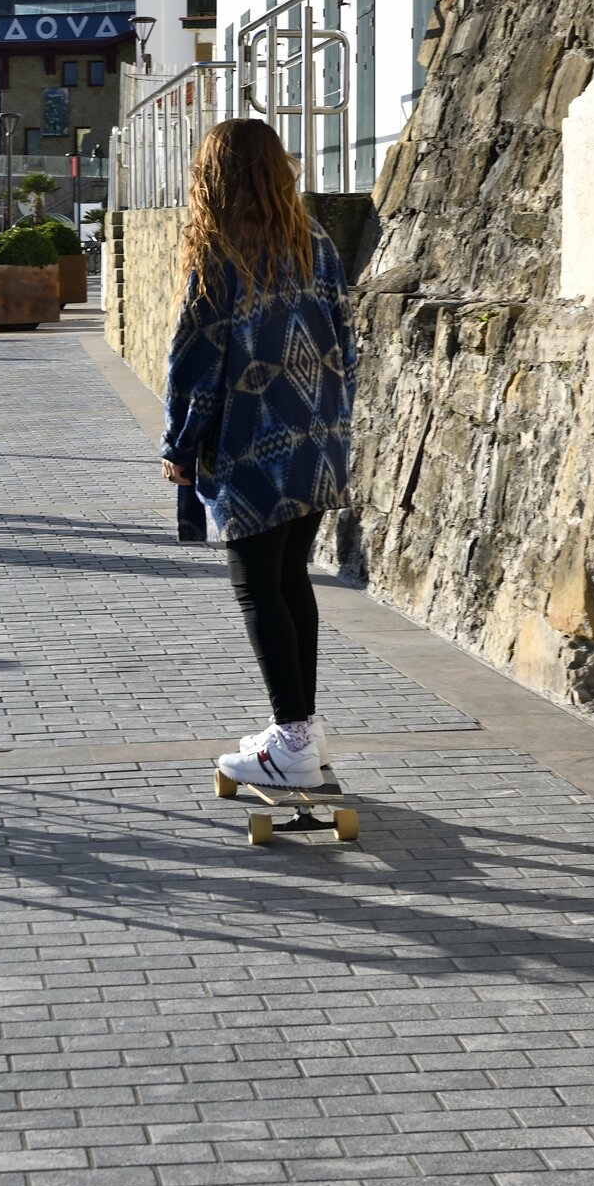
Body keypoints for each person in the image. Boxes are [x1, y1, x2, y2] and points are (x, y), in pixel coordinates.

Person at [161, 118, 357, 791]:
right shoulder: (316, 240)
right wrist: (335, 423)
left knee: (255, 584)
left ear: (214, 177)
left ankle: (293, 737)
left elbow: (194, 362)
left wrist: (180, 445)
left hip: (254, 444)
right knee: (291, 577)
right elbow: (346, 339)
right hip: (318, 439)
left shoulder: (223, 252)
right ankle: (301, 727)